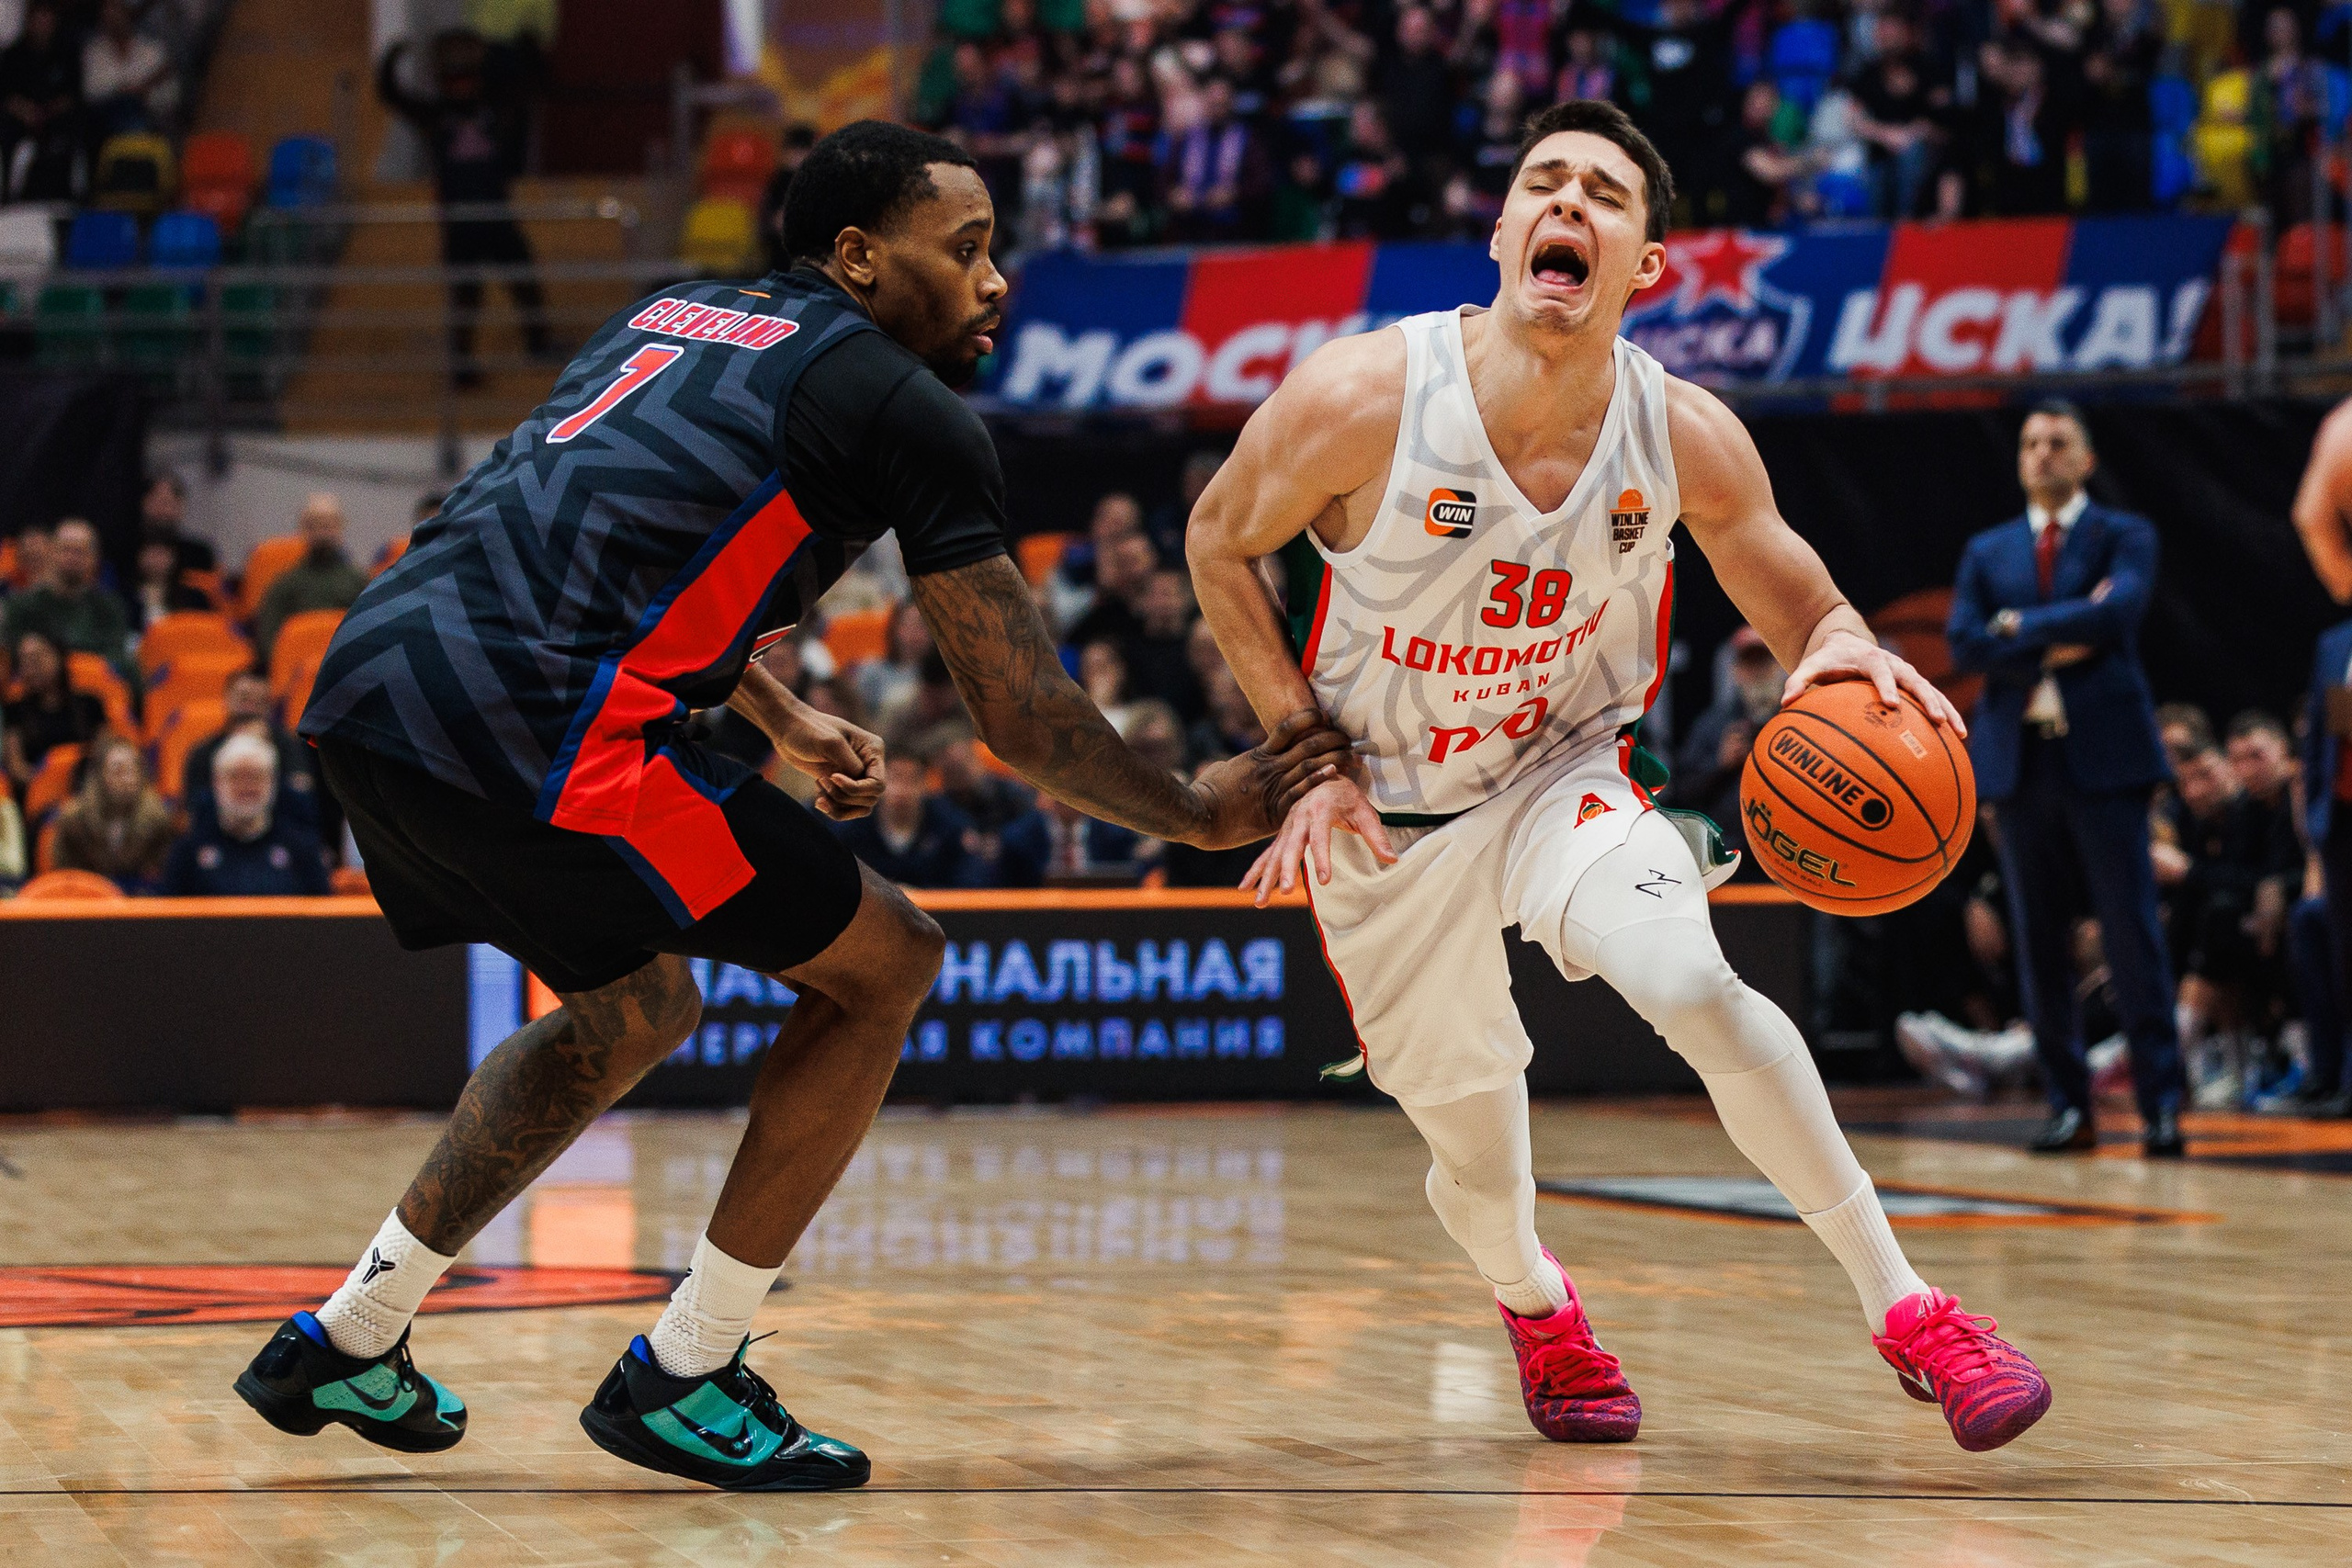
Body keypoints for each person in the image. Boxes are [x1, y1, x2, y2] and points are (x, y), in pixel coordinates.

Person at [248, 120, 1344, 1492]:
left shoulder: (677, 313)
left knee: (633, 1009)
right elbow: (1019, 711)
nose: (996, 280)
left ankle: (350, 1331)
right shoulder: (904, 408)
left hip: (373, 686)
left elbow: (582, 530)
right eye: (967, 249)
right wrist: (1193, 808)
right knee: (889, 961)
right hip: (533, 725)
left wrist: (777, 710)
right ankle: (689, 1370)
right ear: (859, 256)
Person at [1189, 99, 2048, 1458]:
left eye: (1604, 195)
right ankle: (1538, 1303)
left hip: (1560, 771)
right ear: (1501, 227)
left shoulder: (1684, 433)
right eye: (1544, 183)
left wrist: (1854, 664)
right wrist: (1308, 754)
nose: (1567, 207)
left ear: (1645, 263)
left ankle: (1915, 1310)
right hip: (1389, 817)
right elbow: (1218, 541)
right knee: (1477, 1157)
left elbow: (1812, 612)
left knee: (1695, 979)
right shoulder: (1364, 397)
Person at [1947, 400, 2188, 1156]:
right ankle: (2068, 1106)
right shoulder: (1988, 550)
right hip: (2022, 766)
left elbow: (2117, 618)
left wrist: (2018, 627)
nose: (2042, 453)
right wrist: (2060, 628)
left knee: (2131, 936)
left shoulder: (2125, 534)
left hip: (2107, 761)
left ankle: (2160, 1106)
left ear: (2086, 459)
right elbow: (1964, 642)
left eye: (2058, 442)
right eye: (2030, 443)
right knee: (2038, 943)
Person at [376, 28, 552, 387]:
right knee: (465, 299)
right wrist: (394, 54)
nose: (462, 85)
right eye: (454, 79)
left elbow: (533, 84)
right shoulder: (436, 115)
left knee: (525, 281)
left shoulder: (495, 108)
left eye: (468, 77)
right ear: (443, 82)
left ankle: (538, 344)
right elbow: (392, 95)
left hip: (496, 213)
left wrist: (523, 45)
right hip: (459, 222)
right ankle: (461, 367)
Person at [2291, 398, 2352, 1113]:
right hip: (2340, 817)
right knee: (2343, 958)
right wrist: (2313, 835)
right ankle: (2339, 1077)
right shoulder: (2334, 644)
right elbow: (2317, 745)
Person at [160, 733, 331, 897]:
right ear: (216, 783)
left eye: (256, 776)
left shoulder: (302, 850)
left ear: (273, 783)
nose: (246, 786)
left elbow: (324, 917)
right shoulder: (187, 852)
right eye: (235, 776)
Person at [4, 518, 133, 681]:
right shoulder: (22, 605)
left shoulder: (109, 608)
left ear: (94, 559)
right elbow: (13, 657)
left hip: (93, 690)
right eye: (66, 550)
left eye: (80, 551)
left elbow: (117, 657)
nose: (72, 558)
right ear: (51, 553)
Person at [829, 751, 977, 887]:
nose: (902, 790)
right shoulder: (852, 824)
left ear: (926, 784)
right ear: (878, 780)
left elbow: (968, 883)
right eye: (895, 778)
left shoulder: (949, 824)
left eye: (912, 780)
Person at [253, 493, 369, 664]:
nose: (322, 532)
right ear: (303, 529)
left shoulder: (360, 582)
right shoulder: (284, 584)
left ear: (340, 527)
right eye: (314, 525)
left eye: (328, 524)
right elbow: (268, 640)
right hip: (294, 676)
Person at [51, 729, 174, 891]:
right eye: (119, 771)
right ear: (100, 776)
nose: (128, 779)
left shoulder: (158, 820)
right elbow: (65, 879)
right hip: (87, 904)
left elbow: (163, 879)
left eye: (133, 770)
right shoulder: (74, 822)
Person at [2, 628, 105, 792]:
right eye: (24, 662)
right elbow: (16, 768)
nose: (30, 668)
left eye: (36, 659)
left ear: (58, 655)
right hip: (41, 794)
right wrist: (51, 782)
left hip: (89, 788)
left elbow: (105, 751)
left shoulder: (89, 703)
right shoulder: (15, 711)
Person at [0, 0, 78, 202]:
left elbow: (73, 94)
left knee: (77, 124)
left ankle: (72, 191)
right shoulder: (13, 54)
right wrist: (25, 111)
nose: (43, 24)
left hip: (55, 115)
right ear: (29, 22)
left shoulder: (66, 52)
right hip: (22, 116)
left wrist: (49, 111)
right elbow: (7, 95)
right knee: (6, 128)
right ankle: (10, 192)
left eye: (47, 19)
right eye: (38, 19)